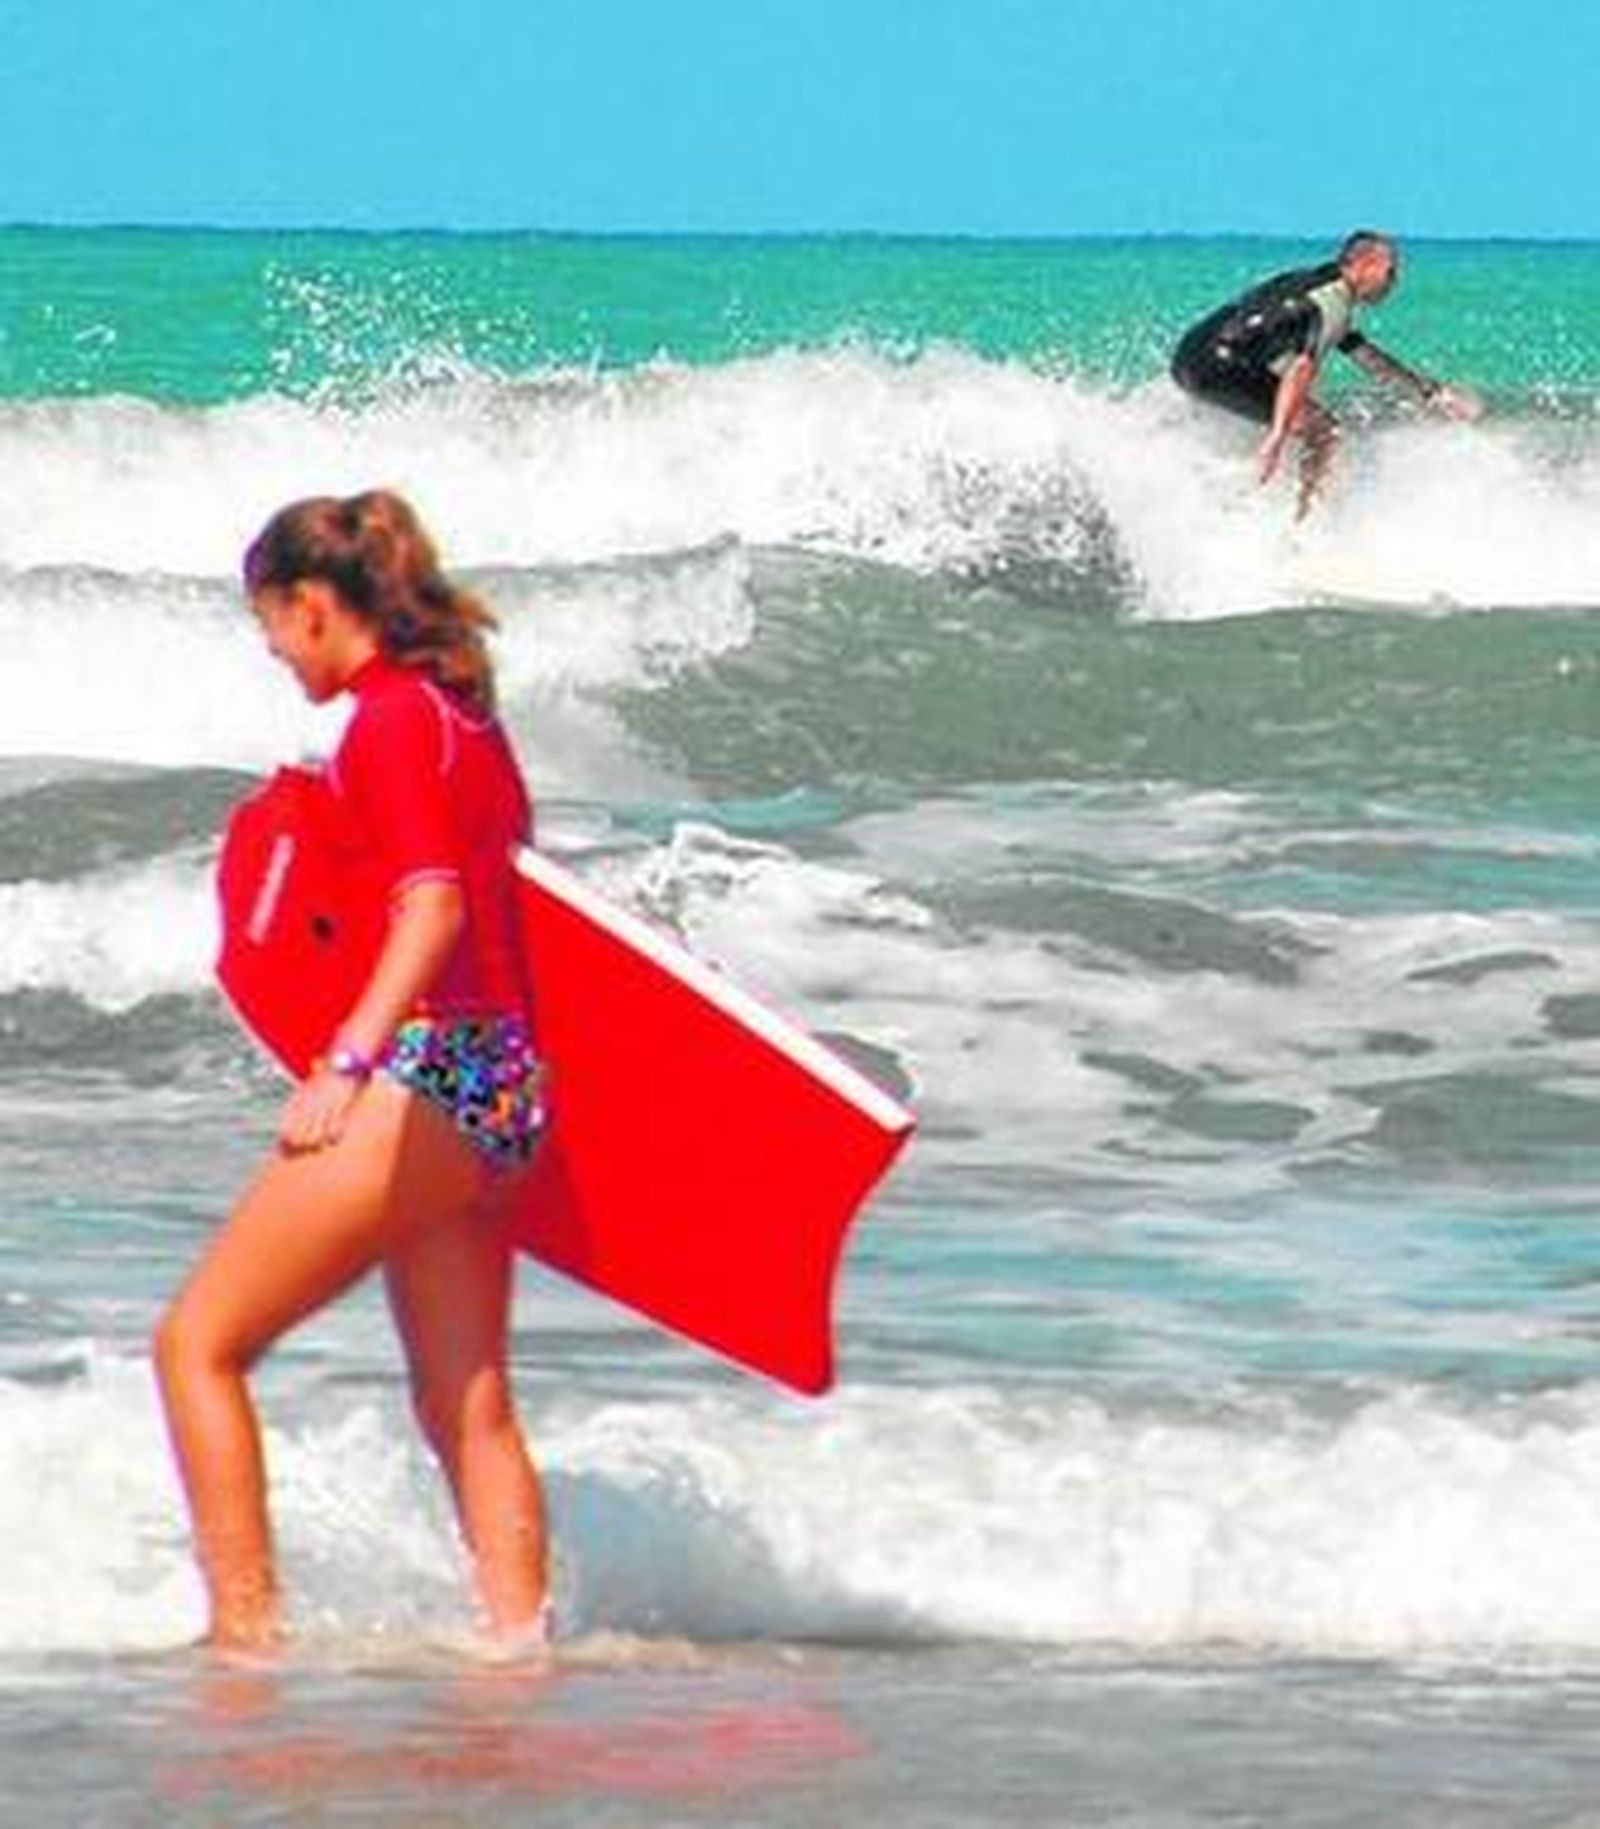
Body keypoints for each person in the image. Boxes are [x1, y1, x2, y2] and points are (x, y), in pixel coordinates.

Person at [154, 491, 551, 1653]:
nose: (274, 649)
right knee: (467, 1405)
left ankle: (243, 1638)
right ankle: (516, 1651)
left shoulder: (385, 720)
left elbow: (427, 904)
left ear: (315, 605)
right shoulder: (464, 715)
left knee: (195, 1346)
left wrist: (345, 1060)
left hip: (424, 1074)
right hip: (508, 1083)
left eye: (272, 622)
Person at [1170, 230, 1481, 516]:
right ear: (1365, 264)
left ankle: (1205, 488)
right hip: (1219, 369)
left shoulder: (1313, 282)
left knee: (1283, 405)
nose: (1394, 282)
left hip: (1188, 357)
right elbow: (1301, 370)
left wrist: (1431, 394)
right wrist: (1278, 436)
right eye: (1390, 272)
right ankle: (1303, 519)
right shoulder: (1332, 305)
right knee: (1324, 429)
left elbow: (1367, 357)